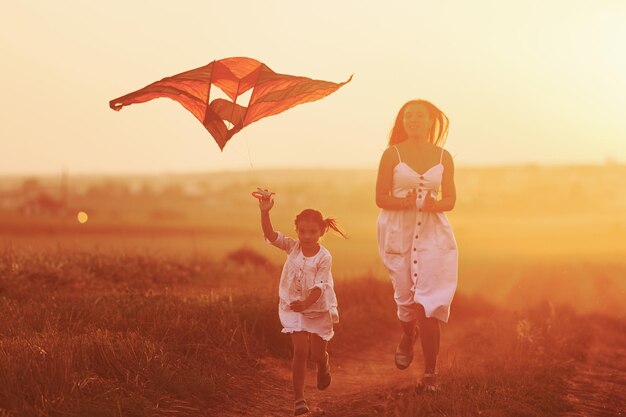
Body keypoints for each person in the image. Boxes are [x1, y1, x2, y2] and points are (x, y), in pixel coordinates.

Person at [375, 99, 458, 392]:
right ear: (402, 121)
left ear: (429, 120)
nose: (413, 120)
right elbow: (380, 198)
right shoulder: (392, 155)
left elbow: (451, 198)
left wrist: (437, 205)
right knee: (406, 301)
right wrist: (403, 202)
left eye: (419, 115)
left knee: (429, 303)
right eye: (407, 116)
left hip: (434, 235)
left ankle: (431, 373)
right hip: (398, 231)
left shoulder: (444, 156)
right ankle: (408, 335)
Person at [259, 195, 346, 415]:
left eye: (312, 232)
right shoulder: (292, 247)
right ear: (296, 230)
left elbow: (319, 287)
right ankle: (299, 400)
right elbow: (270, 235)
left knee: (316, 354)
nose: (306, 236)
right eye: (302, 231)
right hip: (292, 306)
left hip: (316, 308)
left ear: (321, 232)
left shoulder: (325, 257)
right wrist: (265, 211)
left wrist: (306, 303)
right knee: (299, 351)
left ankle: (323, 364)